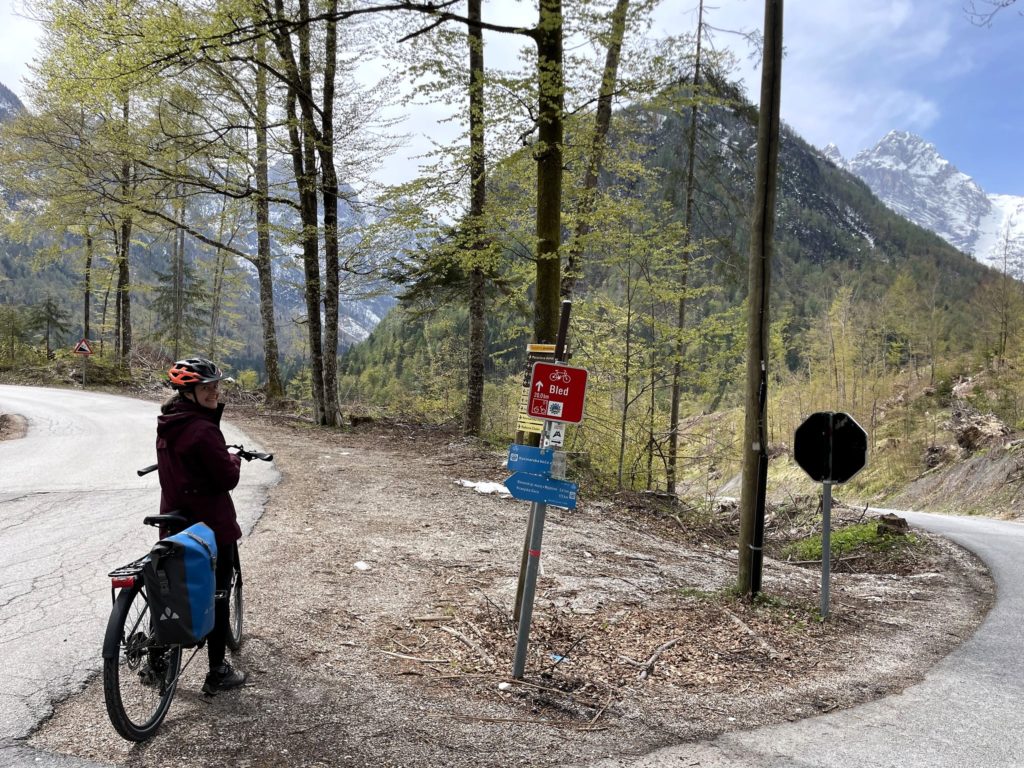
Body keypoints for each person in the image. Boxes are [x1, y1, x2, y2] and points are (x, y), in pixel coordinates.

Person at [157, 356, 248, 695]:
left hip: (174, 520)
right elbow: (226, 477)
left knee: (172, 587)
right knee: (218, 591)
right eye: (206, 387)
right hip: (208, 526)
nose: (214, 392)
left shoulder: (169, 422)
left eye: (216, 386)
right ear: (188, 392)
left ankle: (158, 656)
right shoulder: (204, 429)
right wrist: (234, 457)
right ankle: (217, 671)